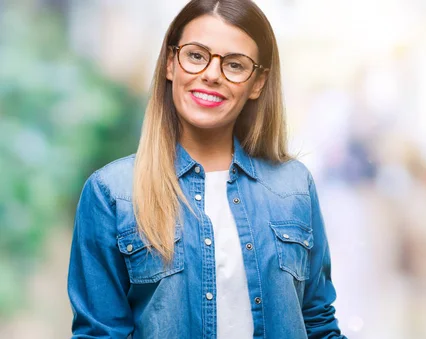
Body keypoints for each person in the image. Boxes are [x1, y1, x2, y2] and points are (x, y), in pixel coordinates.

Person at [67, 1, 346, 338]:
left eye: (235, 65)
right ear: (171, 63)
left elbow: (317, 322)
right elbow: (100, 333)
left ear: (257, 83)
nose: (212, 75)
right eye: (196, 55)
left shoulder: (294, 186)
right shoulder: (112, 194)